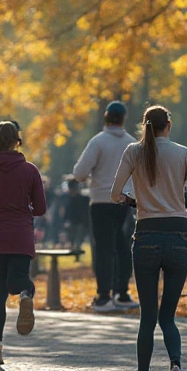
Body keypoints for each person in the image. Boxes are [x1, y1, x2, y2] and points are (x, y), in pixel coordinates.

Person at [112, 105, 187, 371]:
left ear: (145, 126)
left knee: (148, 316)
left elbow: (114, 193)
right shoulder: (183, 153)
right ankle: (175, 366)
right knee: (168, 316)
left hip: (145, 235)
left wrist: (133, 201)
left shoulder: (133, 151)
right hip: (179, 235)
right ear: (168, 124)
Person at [0, 122, 45, 366]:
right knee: (19, 278)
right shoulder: (30, 171)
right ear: (17, 141)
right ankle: (25, 293)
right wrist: (23, 208)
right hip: (20, 234)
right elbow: (41, 209)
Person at [72, 101, 137, 312]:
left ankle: (103, 296)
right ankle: (123, 292)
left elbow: (80, 173)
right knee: (123, 247)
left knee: (103, 249)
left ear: (105, 118)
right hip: (125, 201)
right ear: (123, 119)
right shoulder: (132, 143)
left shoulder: (98, 142)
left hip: (101, 200)